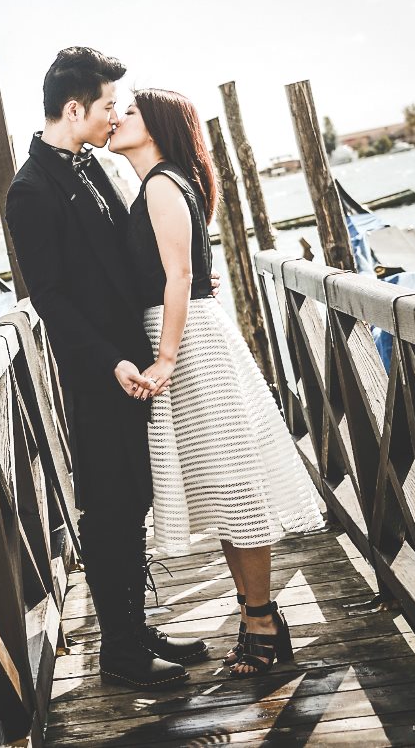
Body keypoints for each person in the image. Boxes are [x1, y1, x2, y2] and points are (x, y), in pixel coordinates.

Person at [6, 47, 207, 689]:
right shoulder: (31, 189)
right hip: (98, 371)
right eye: (107, 106)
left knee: (135, 500)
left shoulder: (91, 164)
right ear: (74, 109)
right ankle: (120, 651)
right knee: (110, 506)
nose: (115, 115)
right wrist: (114, 359)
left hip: (132, 363)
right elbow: (50, 298)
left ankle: (135, 627)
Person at [109, 88, 324, 676]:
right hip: (186, 335)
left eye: (127, 111)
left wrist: (168, 357)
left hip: (188, 345)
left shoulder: (159, 183)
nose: (116, 117)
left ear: (154, 126)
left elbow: (179, 275)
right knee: (225, 491)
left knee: (234, 487)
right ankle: (259, 618)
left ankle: (260, 623)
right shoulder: (162, 181)